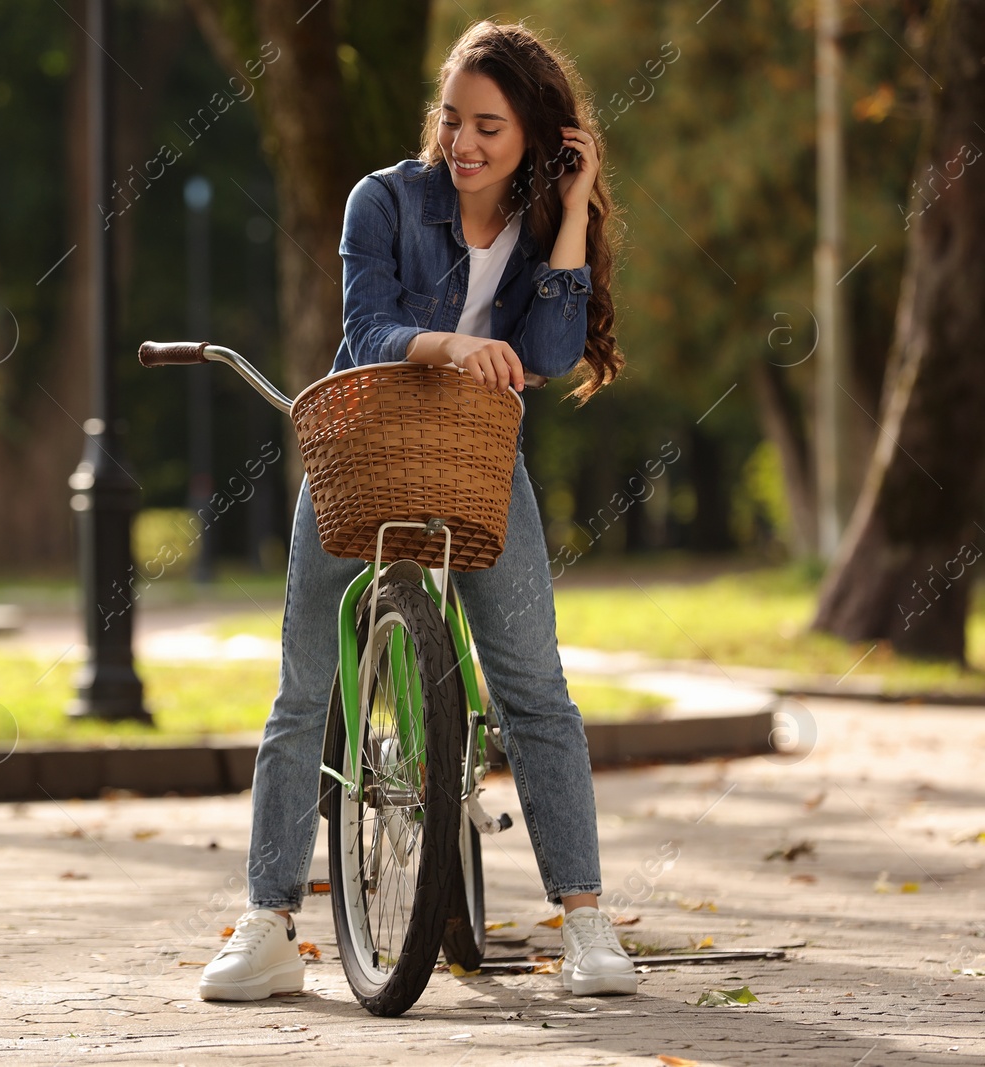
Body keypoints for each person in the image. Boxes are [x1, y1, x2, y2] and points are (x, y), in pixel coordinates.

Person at [198, 19, 635, 1002]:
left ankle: (589, 921)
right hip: (361, 442)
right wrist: (448, 347)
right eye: (453, 120)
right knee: (301, 687)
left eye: (490, 125)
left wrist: (569, 210)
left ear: (535, 136)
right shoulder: (383, 200)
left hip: (477, 458)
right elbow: (366, 328)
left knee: (535, 689)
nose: (465, 143)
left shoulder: (536, 221)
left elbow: (555, 351)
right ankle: (266, 924)